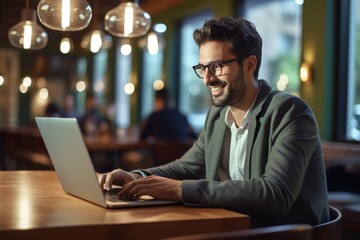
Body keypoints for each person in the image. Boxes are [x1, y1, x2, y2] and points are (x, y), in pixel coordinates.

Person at [99, 17, 329, 227]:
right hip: (236, 227)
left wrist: (180, 190)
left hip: (285, 234)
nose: (208, 78)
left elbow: (275, 194)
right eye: (202, 68)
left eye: (217, 66)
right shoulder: (217, 116)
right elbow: (185, 167)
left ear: (250, 64)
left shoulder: (290, 112)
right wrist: (137, 177)